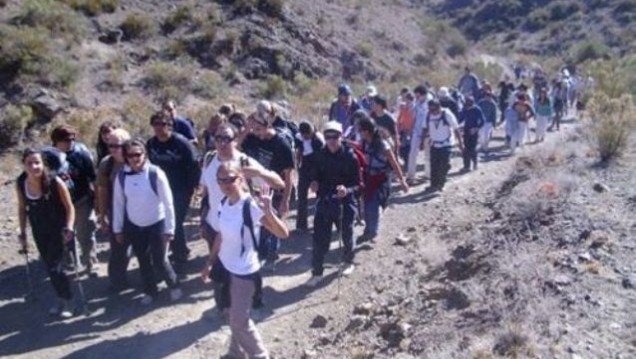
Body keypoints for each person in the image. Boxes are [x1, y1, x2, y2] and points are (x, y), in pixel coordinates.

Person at [201, 162, 290, 359]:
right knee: (232, 313)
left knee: (238, 321)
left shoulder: (250, 206)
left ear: (240, 179)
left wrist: (268, 211)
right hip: (225, 268)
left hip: (245, 273)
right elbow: (220, 236)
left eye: (230, 179)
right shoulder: (224, 203)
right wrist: (210, 262)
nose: (225, 184)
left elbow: (283, 233)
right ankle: (235, 353)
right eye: (221, 180)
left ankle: (260, 355)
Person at [200, 123, 284, 316]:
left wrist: (259, 173)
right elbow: (206, 191)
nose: (221, 143)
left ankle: (251, 301)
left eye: (226, 139)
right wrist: (202, 219)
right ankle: (225, 307)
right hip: (217, 225)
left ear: (236, 141)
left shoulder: (244, 162)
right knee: (219, 273)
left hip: (242, 227)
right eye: (218, 138)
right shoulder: (209, 158)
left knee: (242, 268)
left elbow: (278, 183)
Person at [112, 139, 181, 305]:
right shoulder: (121, 177)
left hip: (157, 223)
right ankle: (150, 290)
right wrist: (118, 229)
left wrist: (170, 228)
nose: (135, 158)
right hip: (135, 226)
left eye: (138, 154)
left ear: (145, 155)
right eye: (130, 155)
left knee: (160, 259)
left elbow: (168, 203)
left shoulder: (156, 174)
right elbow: (118, 204)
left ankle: (174, 285)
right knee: (143, 260)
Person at [17, 148, 76, 318]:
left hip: (58, 229)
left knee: (55, 266)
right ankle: (61, 297)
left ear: (43, 164)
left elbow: (69, 207)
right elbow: (22, 208)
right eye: (30, 163)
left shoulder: (54, 182)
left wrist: (70, 227)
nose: (34, 166)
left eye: (37, 162)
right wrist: (22, 232)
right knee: (49, 266)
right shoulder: (21, 183)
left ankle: (68, 301)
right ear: (24, 165)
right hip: (39, 229)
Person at [305, 121, 359, 287]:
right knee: (319, 239)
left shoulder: (350, 156)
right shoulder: (319, 155)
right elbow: (313, 176)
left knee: (346, 234)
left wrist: (347, 190)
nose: (331, 140)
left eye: (335, 136)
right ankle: (317, 272)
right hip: (325, 201)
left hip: (345, 202)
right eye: (328, 136)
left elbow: (358, 184)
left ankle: (349, 262)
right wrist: (313, 183)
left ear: (341, 136)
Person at [239, 111, 295, 268]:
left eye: (259, 129)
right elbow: (235, 146)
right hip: (254, 190)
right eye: (254, 129)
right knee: (259, 224)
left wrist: (286, 200)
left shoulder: (281, 144)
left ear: (268, 126)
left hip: (275, 191)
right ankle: (261, 253)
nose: (256, 133)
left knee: (273, 221)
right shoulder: (252, 139)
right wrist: (246, 130)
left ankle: (271, 256)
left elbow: (289, 174)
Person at [146, 111, 200, 269]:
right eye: (155, 124)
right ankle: (177, 249)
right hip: (159, 189)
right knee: (164, 220)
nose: (158, 128)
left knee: (175, 220)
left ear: (170, 125)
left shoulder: (181, 143)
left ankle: (180, 255)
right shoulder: (151, 144)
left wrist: (193, 187)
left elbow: (194, 165)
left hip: (180, 188)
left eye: (162, 124)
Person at [50, 125, 97, 276]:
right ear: (56, 141)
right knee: (66, 234)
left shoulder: (81, 155)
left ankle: (90, 262)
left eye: (72, 139)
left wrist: (96, 200)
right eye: (65, 140)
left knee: (86, 233)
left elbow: (92, 177)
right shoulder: (49, 158)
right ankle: (72, 264)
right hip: (60, 204)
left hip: (82, 200)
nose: (70, 142)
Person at [356, 114, 408, 244]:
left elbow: (394, 162)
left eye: (360, 130)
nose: (359, 132)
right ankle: (368, 230)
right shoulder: (364, 143)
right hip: (368, 178)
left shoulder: (382, 145)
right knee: (367, 206)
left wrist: (402, 180)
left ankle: (373, 231)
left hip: (381, 180)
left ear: (366, 131)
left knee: (374, 205)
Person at [96, 128, 132, 292]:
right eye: (111, 146)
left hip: (140, 211)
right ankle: (117, 281)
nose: (114, 149)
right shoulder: (107, 164)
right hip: (116, 212)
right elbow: (102, 190)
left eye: (118, 145)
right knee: (118, 249)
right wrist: (102, 215)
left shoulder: (137, 158)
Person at [424, 99, 464, 192]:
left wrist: (460, 144)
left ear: (439, 107)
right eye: (430, 110)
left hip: (446, 144)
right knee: (434, 165)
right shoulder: (429, 115)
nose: (432, 112)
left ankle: (441, 184)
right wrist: (424, 140)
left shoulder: (446, 114)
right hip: (434, 144)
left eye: (433, 110)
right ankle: (433, 185)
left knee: (443, 165)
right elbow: (426, 128)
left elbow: (456, 128)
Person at [295, 121, 324, 231]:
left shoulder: (318, 140)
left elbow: (321, 159)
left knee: (319, 197)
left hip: (317, 169)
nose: (306, 136)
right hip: (304, 169)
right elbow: (298, 151)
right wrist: (298, 164)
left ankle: (319, 223)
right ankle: (301, 225)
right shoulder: (299, 138)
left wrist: (317, 176)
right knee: (302, 196)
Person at [405, 85, 431, 184]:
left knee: (428, 154)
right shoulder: (417, 103)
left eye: (418, 96)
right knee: (412, 153)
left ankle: (428, 175)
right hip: (417, 131)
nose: (417, 98)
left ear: (424, 95)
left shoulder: (430, 103)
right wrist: (411, 130)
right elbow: (414, 117)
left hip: (428, 132)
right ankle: (411, 176)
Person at [458, 96, 485, 172]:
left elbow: (483, 121)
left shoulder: (477, 110)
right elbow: (460, 119)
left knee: (472, 149)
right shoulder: (464, 109)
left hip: (474, 131)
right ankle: (466, 166)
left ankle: (475, 163)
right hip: (466, 130)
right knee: (465, 149)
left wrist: (476, 128)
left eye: (469, 106)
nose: (468, 107)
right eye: (466, 106)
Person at [396, 92, 415, 169]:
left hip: (411, 130)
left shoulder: (414, 108)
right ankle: (405, 163)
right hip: (404, 130)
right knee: (403, 147)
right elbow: (399, 118)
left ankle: (408, 164)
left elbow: (414, 119)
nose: (406, 101)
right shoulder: (403, 107)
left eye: (408, 99)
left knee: (408, 147)